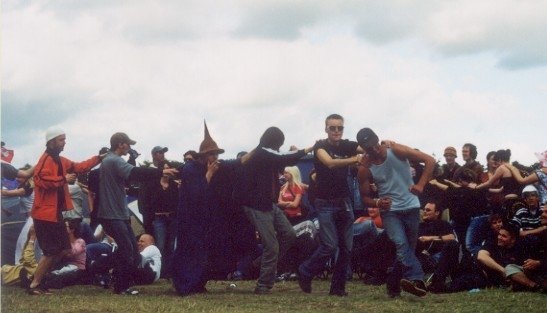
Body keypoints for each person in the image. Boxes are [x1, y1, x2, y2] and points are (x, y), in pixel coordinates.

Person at [172, 122, 254, 296]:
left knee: (210, 252)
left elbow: (236, 163)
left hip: (207, 220)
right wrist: (209, 175)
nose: (215, 157)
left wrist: (258, 149)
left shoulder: (216, 166)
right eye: (212, 154)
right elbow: (194, 195)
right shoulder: (190, 169)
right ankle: (185, 286)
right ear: (204, 155)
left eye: (216, 153)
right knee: (189, 252)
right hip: (190, 220)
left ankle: (199, 283)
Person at [356, 127, 435, 298]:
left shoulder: (396, 150)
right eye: (369, 148)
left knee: (407, 250)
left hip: (412, 206)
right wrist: (377, 202)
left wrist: (421, 184)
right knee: (400, 244)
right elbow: (364, 197)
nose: (375, 150)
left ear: (379, 139)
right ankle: (417, 279)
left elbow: (429, 160)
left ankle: (393, 285)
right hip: (390, 211)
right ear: (364, 149)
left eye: (375, 145)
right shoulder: (365, 168)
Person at [98, 132, 177, 295]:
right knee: (128, 250)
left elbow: (128, 176)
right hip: (113, 215)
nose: (130, 147)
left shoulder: (111, 161)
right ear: (121, 144)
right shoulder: (113, 160)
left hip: (118, 214)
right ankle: (121, 286)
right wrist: (161, 172)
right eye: (128, 144)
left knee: (132, 250)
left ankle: (101, 267)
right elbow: (135, 173)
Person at [27, 127, 101, 295]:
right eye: (61, 140)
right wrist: (63, 180)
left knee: (63, 249)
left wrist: (98, 158)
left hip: (55, 214)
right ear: (52, 142)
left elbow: (79, 166)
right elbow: (40, 181)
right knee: (52, 251)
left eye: (64, 139)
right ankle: (35, 284)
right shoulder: (45, 160)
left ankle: (40, 279)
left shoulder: (60, 160)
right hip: (45, 215)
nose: (64, 142)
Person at [241, 126, 312, 295]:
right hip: (256, 205)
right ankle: (263, 285)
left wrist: (295, 153)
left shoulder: (266, 155)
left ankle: (258, 265)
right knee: (271, 246)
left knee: (289, 235)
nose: (279, 148)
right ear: (274, 142)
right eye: (279, 144)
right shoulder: (262, 153)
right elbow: (286, 158)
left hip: (269, 204)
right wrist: (310, 148)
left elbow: (285, 160)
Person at [298, 114, 362, 297]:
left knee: (346, 248)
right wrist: (355, 159)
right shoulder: (320, 146)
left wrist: (376, 146)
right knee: (330, 245)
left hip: (344, 202)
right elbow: (330, 163)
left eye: (339, 128)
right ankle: (305, 271)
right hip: (324, 204)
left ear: (343, 129)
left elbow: (365, 147)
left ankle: (338, 288)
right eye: (332, 128)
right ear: (326, 129)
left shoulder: (348, 145)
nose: (336, 131)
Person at [477, 223, 543, 291]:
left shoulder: (523, 246)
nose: (499, 237)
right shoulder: (494, 242)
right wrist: (503, 271)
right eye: (499, 234)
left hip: (523, 273)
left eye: (503, 236)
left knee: (511, 268)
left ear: (513, 239)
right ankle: (535, 287)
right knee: (509, 269)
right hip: (506, 274)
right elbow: (481, 256)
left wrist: (535, 263)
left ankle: (532, 286)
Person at [416, 201, 459, 293]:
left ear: (437, 212)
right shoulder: (419, 226)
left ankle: (436, 283)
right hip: (421, 256)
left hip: (439, 256)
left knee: (452, 245)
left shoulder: (443, 224)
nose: (424, 212)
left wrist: (430, 238)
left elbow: (452, 237)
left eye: (428, 210)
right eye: (424, 210)